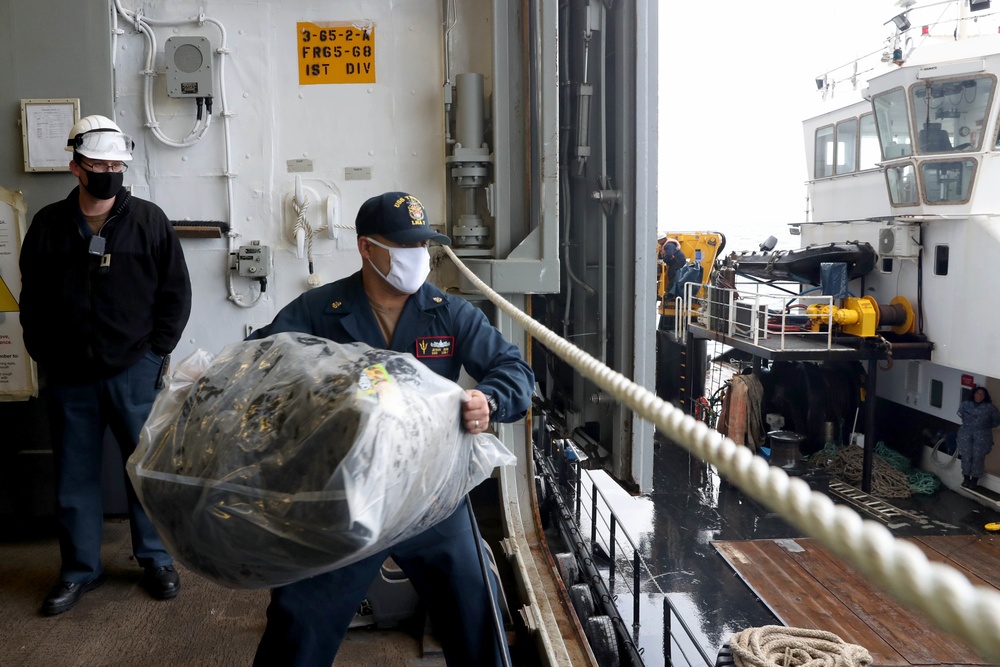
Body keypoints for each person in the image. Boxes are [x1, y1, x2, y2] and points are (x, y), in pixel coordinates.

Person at [249, 191, 533, 667]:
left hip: (431, 492)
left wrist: (491, 399)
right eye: (405, 247)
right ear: (366, 248)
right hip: (346, 495)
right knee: (300, 621)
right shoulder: (320, 310)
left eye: (424, 245)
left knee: (475, 608)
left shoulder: (449, 312)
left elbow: (515, 370)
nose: (418, 257)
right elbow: (259, 362)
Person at [18, 115, 192, 615]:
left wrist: (157, 352)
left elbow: (175, 293)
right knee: (74, 476)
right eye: (99, 163)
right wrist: (44, 353)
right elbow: (33, 297)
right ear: (75, 167)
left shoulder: (150, 220)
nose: (109, 172)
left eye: (117, 164)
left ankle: (156, 560)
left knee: (144, 470)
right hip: (69, 374)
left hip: (135, 368)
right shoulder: (49, 224)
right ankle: (78, 571)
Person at [956, 386, 1000, 489]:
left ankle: (974, 481)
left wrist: (983, 426)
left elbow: (996, 421)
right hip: (966, 434)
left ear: (985, 396)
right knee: (966, 456)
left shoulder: (990, 408)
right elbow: (961, 414)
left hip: (982, 436)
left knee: (978, 457)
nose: (979, 396)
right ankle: (966, 478)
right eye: (977, 393)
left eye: (982, 394)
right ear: (973, 394)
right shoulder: (966, 404)